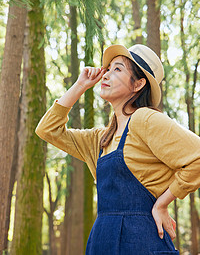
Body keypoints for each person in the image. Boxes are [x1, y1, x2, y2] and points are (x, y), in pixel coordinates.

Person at [36, 44, 200, 255]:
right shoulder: (99, 139)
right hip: (101, 241)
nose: (106, 74)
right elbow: (47, 130)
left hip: (143, 241)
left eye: (118, 69)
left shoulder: (144, 118)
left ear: (138, 84)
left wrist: (162, 203)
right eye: (108, 68)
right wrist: (80, 85)